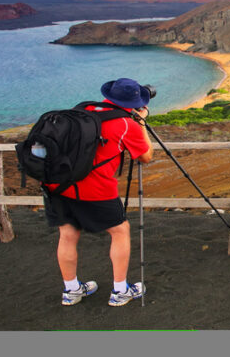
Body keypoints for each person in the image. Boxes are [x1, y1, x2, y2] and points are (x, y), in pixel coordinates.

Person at [43, 78, 154, 307]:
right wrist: (141, 123)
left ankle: (72, 290)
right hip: (95, 189)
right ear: (134, 102)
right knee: (120, 231)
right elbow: (145, 156)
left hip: (59, 185)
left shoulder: (82, 109)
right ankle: (120, 291)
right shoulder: (126, 124)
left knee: (67, 234)